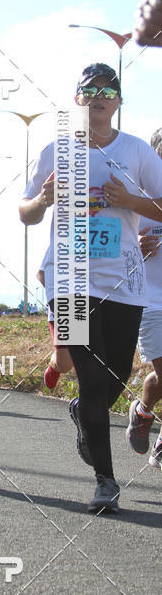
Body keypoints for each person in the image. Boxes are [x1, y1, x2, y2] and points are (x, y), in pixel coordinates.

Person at [20, 63, 162, 513]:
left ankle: (86, 411)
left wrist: (130, 201)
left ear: (119, 100)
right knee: (92, 373)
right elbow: (25, 212)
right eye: (90, 89)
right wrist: (42, 200)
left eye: (108, 89)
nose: (99, 96)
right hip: (69, 281)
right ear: (78, 99)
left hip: (124, 281)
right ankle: (105, 479)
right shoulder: (56, 150)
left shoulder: (138, 151)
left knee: (116, 372)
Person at [126, 128, 162, 467]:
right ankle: (144, 411)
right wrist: (135, 248)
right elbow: (112, 245)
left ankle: (147, 415)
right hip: (150, 300)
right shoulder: (135, 197)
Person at [37, 261, 74, 390]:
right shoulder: (59, 244)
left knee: (85, 357)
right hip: (63, 305)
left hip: (84, 304)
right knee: (65, 364)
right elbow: (40, 273)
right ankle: (54, 366)